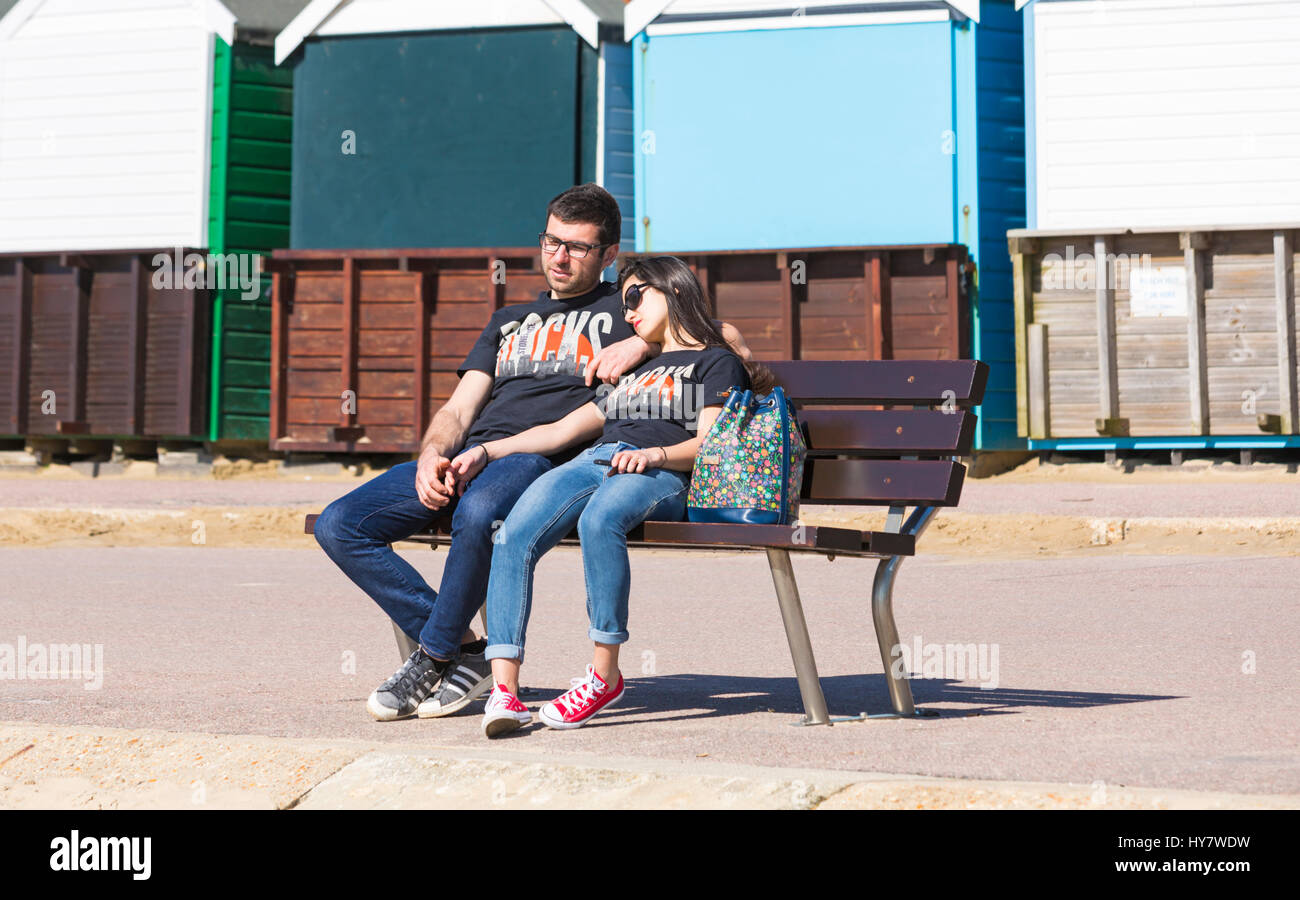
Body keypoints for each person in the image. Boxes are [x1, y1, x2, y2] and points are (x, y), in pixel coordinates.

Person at [313, 184, 750, 722]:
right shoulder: (509, 320)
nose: (559, 257)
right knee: (339, 524)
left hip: (535, 460)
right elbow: (457, 409)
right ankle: (464, 647)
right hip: (473, 454)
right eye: (551, 242)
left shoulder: (625, 307)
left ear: (608, 254)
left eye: (577, 247)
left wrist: (642, 343)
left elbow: (719, 333)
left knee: (479, 514)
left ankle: (431, 656)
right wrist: (432, 454)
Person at [441, 256, 771, 737]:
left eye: (637, 296)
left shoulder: (715, 361)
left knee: (600, 520)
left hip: (661, 470)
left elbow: (710, 443)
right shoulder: (635, 368)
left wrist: (656, 456)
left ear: (674, 291)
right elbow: (558, 432)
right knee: (512, 534)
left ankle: (604, 676)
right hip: (595, 460)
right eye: (624, 302)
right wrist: (486, 450)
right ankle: (505, 692)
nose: (629, 310)